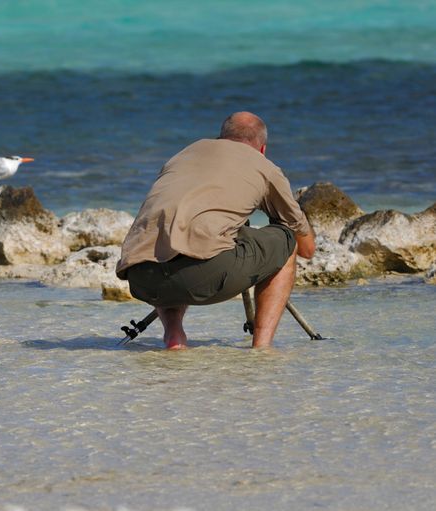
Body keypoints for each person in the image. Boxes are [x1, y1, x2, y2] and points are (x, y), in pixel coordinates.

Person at [116, 112, 316, 349]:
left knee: (171, 236)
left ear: (220, 138)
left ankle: (174, 334)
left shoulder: (183, 155)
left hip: (141, 279)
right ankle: (262, 348)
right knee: (286, 239)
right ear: (262, 149)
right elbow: (306, 248)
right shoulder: (264, 166)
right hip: (201, 277)